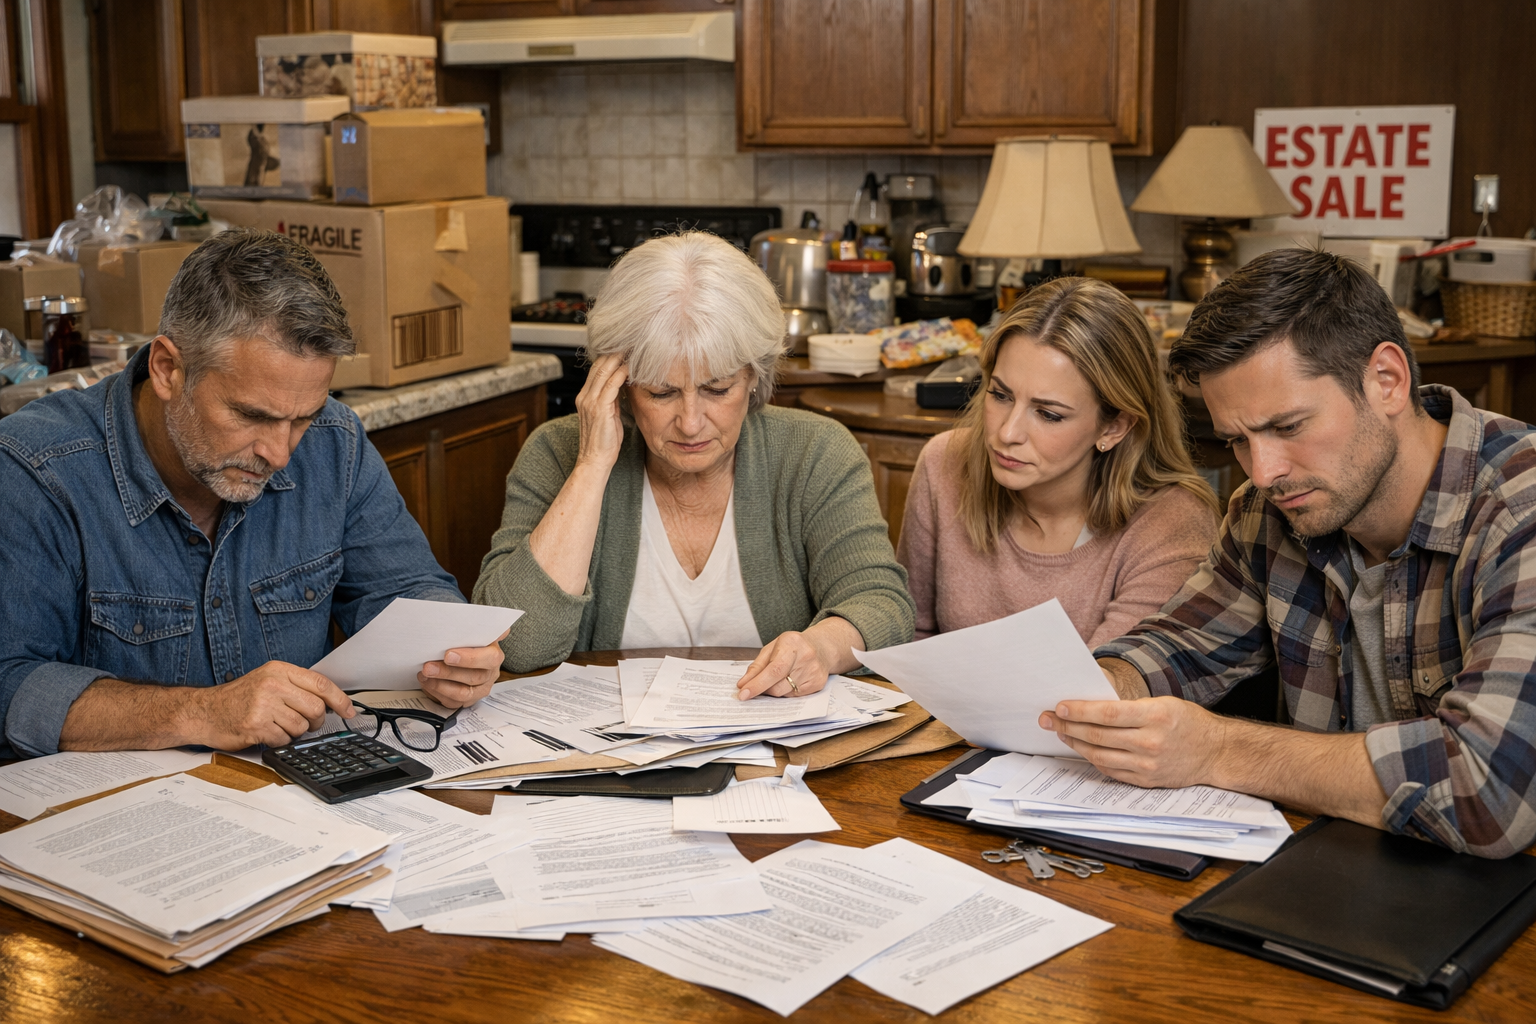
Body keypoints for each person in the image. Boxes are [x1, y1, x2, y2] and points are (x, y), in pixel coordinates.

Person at [1044, 247, 1536, 859]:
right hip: (1340, 873)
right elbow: (1178, 649)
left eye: (1287, 426)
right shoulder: (1267, 508)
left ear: (1387, 380)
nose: (1265, 471)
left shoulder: (1522, 513)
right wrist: (1092, 695)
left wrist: (1218, 749)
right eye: (1238, 441)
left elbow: (1486, 790)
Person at [0, 230, 506, 760]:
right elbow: (11, 685)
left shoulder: (336, 443)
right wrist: (204, 711)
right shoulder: (36, 471)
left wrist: (455, 651)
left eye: (303, 418)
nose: (281, 453)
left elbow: (406, 592)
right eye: (252, 416)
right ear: (168, 369)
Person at [473, 231, 914, 699]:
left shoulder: (815, 451)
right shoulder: (555, 454)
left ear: (754, 376)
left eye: (717, 389)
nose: (689, 422)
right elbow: (518, 645)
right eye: (660, 393)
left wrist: (821, 649)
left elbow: (881, 604)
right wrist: (591, 466)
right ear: (619, 384)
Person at [898, 278, 1219, 644]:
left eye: (1048, 414)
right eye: (1000, 395)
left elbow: (1111, 687)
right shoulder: (944, 463)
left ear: (1114, 427)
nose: (1007, 433)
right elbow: (909, 638)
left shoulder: (1172, 521)